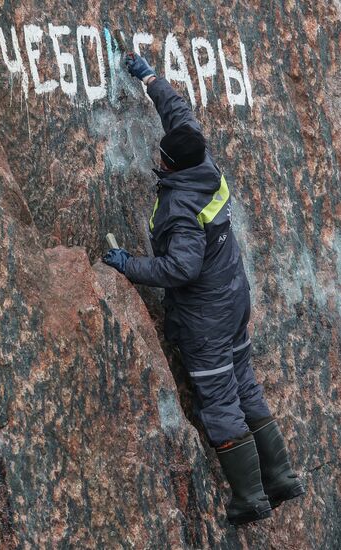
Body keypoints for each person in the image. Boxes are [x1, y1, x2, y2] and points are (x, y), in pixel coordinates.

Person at [103, 53, 305, 526]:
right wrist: (149, 77)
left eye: (161, 155)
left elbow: (181, 267)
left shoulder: (179, 208)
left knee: (220, 399)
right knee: (245, 383)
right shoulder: (204, 163)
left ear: (168, 163)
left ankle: (251, 497)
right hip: (233, 297)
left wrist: (127, 264)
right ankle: (281, 476)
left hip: (206, 317)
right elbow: (180, 115)